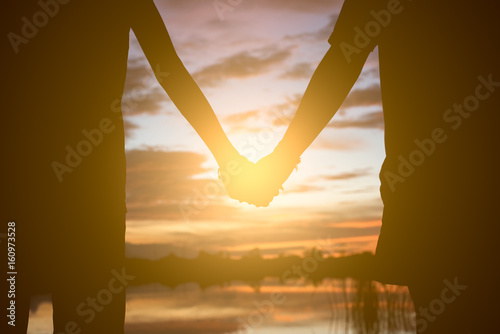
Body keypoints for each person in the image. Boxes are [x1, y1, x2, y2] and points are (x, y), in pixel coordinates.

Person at [244, 0, 500, 332]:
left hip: (430, 202)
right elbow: (343, 61)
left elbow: (343, 61)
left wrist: (279, 162)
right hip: (431, 204)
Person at [1, 1, 249, 333]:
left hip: (66, 196)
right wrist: (229, 161)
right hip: (68, 196)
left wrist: (228, 158)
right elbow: (169, 69)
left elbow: (169, 69)